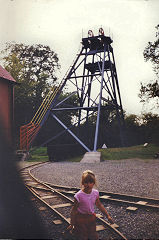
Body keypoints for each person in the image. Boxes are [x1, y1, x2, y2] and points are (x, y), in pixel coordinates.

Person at [68, 170, 114, 240]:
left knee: (93, 236)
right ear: (82, 183)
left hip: (91, 218)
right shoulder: (79, 195)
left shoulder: (95, 193)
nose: (88, 184)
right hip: (80, 218)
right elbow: (74, 211)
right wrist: (72, 224)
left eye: (90, 182)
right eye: (86, 182)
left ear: (94, 183)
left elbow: (99, 205)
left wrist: (108, 216)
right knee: (83, 236)